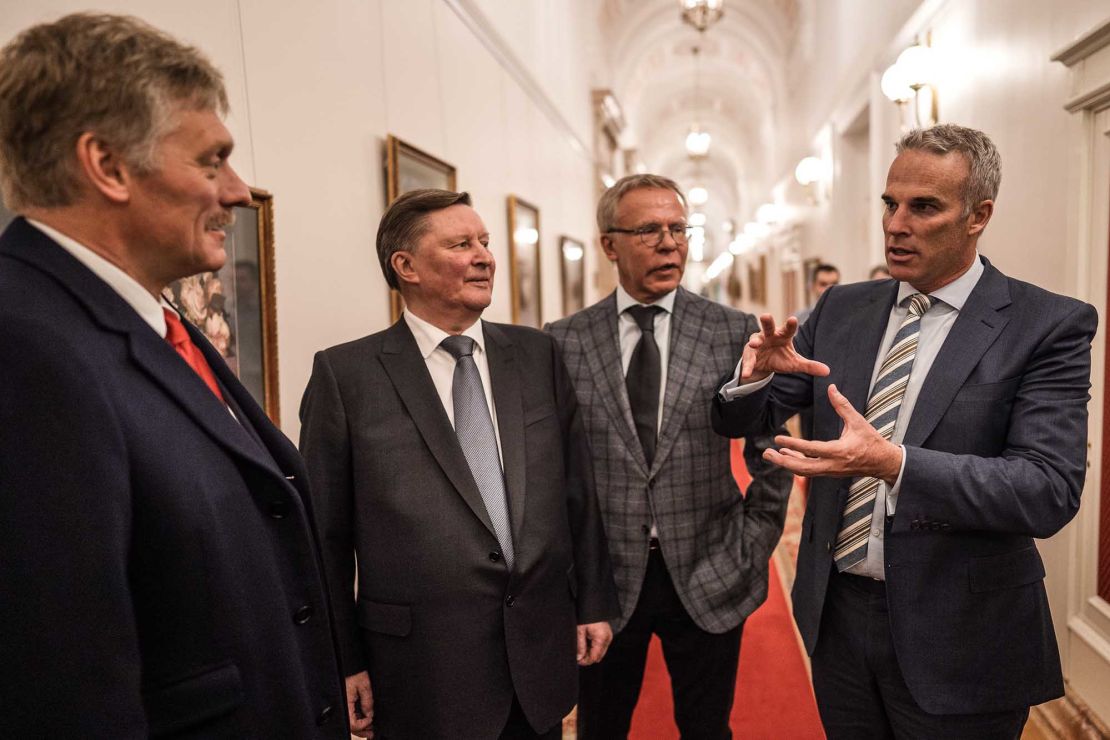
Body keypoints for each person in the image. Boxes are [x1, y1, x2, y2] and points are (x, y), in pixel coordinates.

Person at [0, 13, 347, 737]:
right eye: (212, 161)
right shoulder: (24, 346)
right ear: (108, 166)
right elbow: (62, 682)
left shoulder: (152, 318)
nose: (240, 192)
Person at [713, 123, 1096, 738]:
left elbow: (1046, 489)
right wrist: (751, 378)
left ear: (978, 216)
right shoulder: (841, 309)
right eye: (890, 203)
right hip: (837, 619)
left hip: (963, 633)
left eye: (924, 208)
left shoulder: (1044, 324)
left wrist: (896, 465)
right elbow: (745, 419)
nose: (895, 224)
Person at [299, 188, 620, 739]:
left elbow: (577, 491)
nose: (484, 256)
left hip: (536, 652)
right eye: (461, 244)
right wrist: (341, 657)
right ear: (406, 266)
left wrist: (593, 601)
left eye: (485, 242)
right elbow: (323, 538)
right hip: (420, 670)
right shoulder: (346, 377)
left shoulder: (536, 354)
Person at [546, 174, 793, 739]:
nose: (669, 243)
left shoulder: (731, 330)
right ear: (609, 244)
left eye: (679, 229)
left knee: (707, 730)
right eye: (649, 230)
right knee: (600, 728)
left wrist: (752, 544)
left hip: (710, 568)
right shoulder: (564, 340)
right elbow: (550, 467)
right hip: (602, 582)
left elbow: (771, 447)